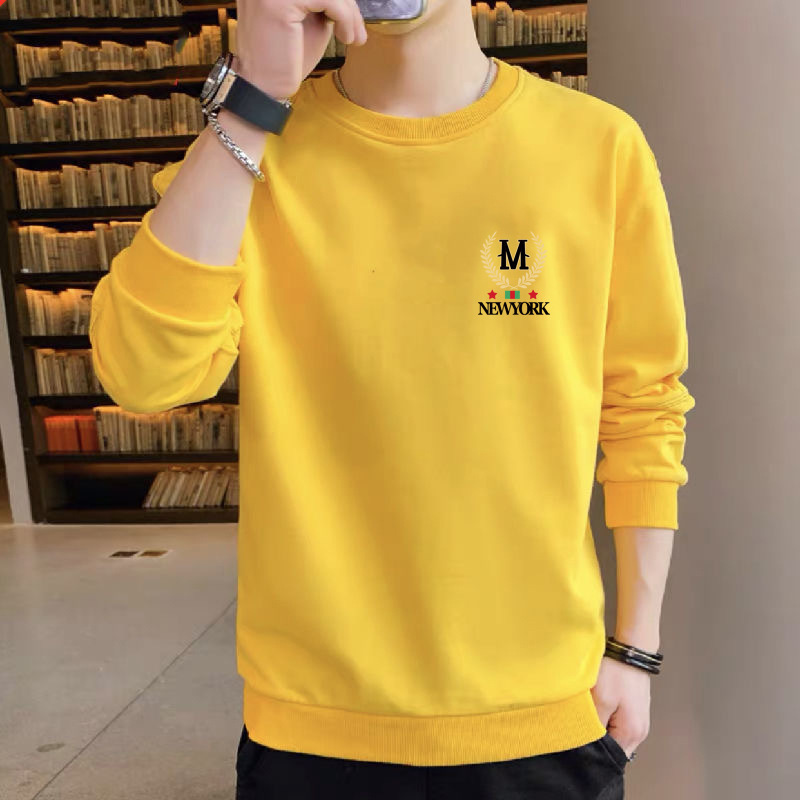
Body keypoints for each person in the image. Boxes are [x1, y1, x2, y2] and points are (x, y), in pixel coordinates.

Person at [88, 0, 696, 797]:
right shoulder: (254, 141)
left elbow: (644, 405)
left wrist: (635, 648)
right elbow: (143, 373)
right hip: (312, 723)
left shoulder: (597, 145)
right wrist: (253, 96)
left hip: (544, 708)